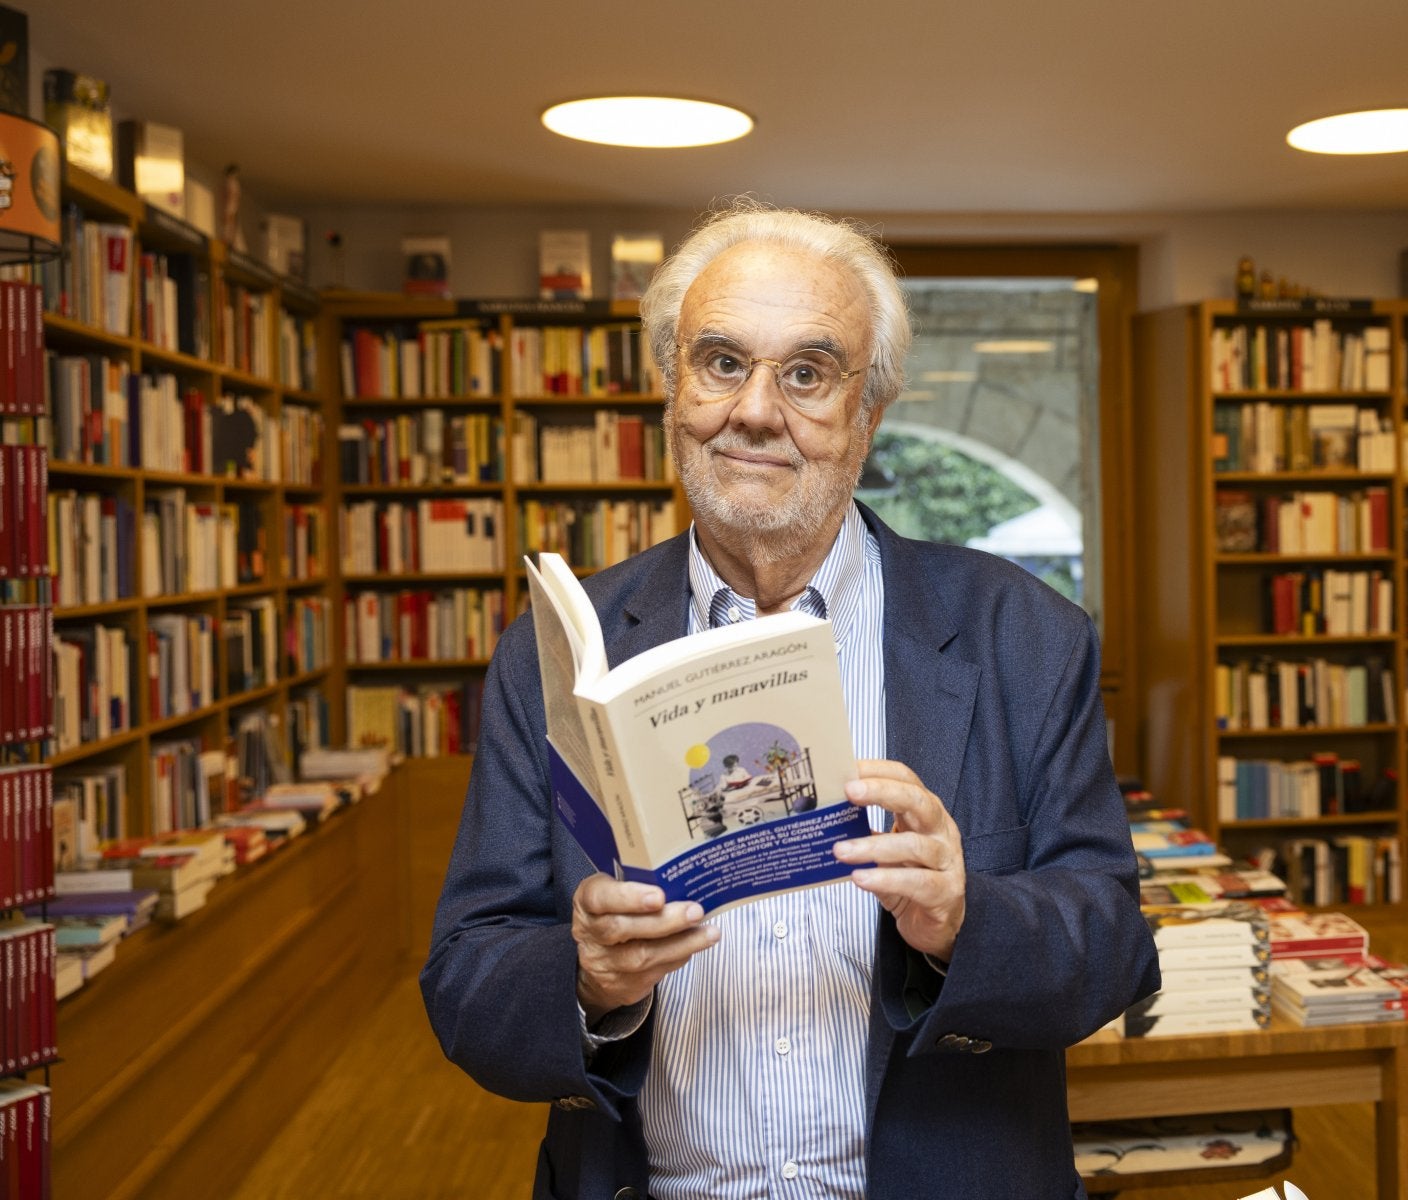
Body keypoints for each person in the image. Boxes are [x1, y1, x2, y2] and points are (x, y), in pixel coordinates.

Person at [420, 201, 1159, 1200]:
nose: (757, 410)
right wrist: (588, 979)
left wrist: (965, 918)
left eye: (807, 373)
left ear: (870, 411)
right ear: (672, 388)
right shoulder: (558, 653)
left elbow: (1113, 945)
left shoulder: (1024, 637)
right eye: (723, 362)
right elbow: (466, 985)